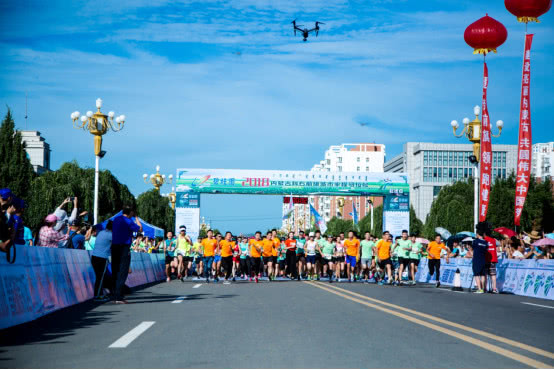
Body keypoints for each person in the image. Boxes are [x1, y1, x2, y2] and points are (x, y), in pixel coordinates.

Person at [111, 206, 142, 304]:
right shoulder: (128, 221)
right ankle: (118, 296)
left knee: (115, 270)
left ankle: (115, 294)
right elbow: (140, 229)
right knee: (123, 271)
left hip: (114, 246)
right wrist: (136, 218)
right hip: (123, 247)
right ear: (131, 212)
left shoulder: (116, 219)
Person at [91, 220, 113, 301]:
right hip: (102, 258)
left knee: (98, 277)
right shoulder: (111, 235)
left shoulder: (101, 232)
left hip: (94, 256)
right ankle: (98, 295)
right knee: (100, 278)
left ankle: (99, 294)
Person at [472, 222, 489, 294]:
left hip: (476, 260)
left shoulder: (475, 241)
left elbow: (473, 247)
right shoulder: (486, 242)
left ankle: (479, 288)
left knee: (476, 274)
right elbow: (486, 249)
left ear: (478, 234)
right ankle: (483, 288)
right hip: (483, 260)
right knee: (482, 275)